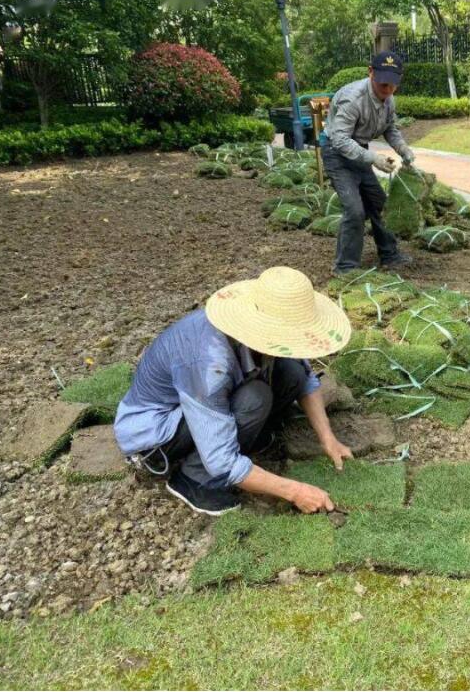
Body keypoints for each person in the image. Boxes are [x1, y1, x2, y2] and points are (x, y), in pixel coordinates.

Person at [113, 267, 354, 515]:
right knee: (256, 398)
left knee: (291, 371)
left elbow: (305, 380)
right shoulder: (209, 363)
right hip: (158, 435)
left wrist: (329, 440)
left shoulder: (259, 339)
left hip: (204, 401)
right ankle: (194, 480)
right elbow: (221, 460)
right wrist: (295, 491)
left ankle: (247, 435)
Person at [320, 50, 416, 275]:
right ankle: (345, 267)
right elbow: (340, 139)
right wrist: (373, 158)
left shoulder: (389, 99)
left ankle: (390, 255)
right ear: (371, 72)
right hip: (336, 153)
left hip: (359, 151)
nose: (388, 90)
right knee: (355, 210)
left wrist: (404, 150)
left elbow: (390, 128)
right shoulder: (353, 99)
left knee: (380, 204)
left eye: (393, 85)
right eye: (383, 84)